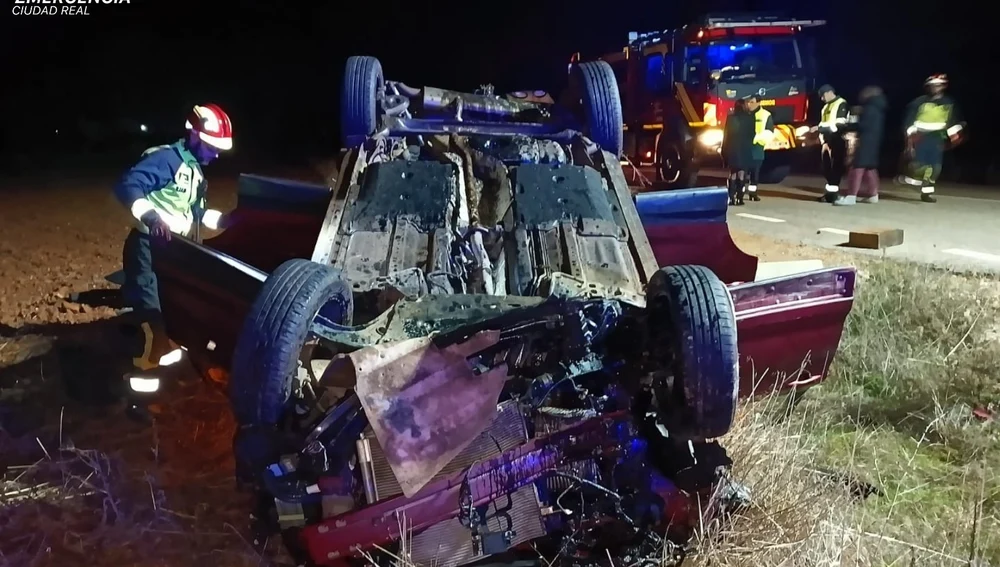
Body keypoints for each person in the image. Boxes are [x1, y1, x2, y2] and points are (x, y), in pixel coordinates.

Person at [113, 103, 233, 375]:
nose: (215, 154)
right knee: (150, 310)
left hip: (175, 250)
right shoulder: (166, 160)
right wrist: (152, 219)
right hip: (147, 246)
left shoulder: (195, 172)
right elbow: (128, 185)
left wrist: (226, 220)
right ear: (193, 135)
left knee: (172, 306)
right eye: (210, 146)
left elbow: (196, 213)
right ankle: (138, 377)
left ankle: (165, 369)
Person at [899, 74, 965, 203]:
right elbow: (909, 122)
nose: (935, 88)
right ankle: (909, 179)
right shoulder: (919, 102)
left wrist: (954, 136)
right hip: (920, 136)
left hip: (937, 137)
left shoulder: (949, 102)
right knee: (918, 165)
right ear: (928, 87)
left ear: (943, 86)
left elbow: (952, 120)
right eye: (932, 86)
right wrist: (909, 139)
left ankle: (927, 193)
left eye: (938, 85)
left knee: (935, 167)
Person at [833, 86, 887, 206]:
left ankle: (851, 196)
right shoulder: (878, 108)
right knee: (870, 168)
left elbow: (862, 126)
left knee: (856, 167)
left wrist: (849, 125)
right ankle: (873, 195)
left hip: (864, 141)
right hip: (874, 141)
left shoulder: (868, 108)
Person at [814, 85, 850, 203]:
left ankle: (833, 195)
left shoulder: (841, 103)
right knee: (826, 168)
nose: (822, 99)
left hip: (837, 140)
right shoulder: (825, 107)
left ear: (830, 92)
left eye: (823, 95)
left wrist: (819, 128)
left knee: (836, 168)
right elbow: (824, 122)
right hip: (826, 141)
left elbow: (840, 124)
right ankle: (830, 194)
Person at [722, 99, 756, 206]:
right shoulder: (750, 118)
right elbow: (753, 134)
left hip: (732, 147)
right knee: (742, 173)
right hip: (745, 148)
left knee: (732, 173)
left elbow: (726, 135)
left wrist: (724, 150)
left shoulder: (731, 118)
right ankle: (740, 198)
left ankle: (731, 197)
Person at [745, 94, 774, 202]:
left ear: (758, 103)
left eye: (752, 102)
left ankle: (753, 193)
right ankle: (740, 193)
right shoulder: (745, 114)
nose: (749, 104)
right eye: (748, 102)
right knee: (743, 171)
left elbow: (769, 132)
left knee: (755, 172)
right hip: (745, 147)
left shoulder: (766, 115)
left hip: (757, 146)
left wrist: (756, 138)